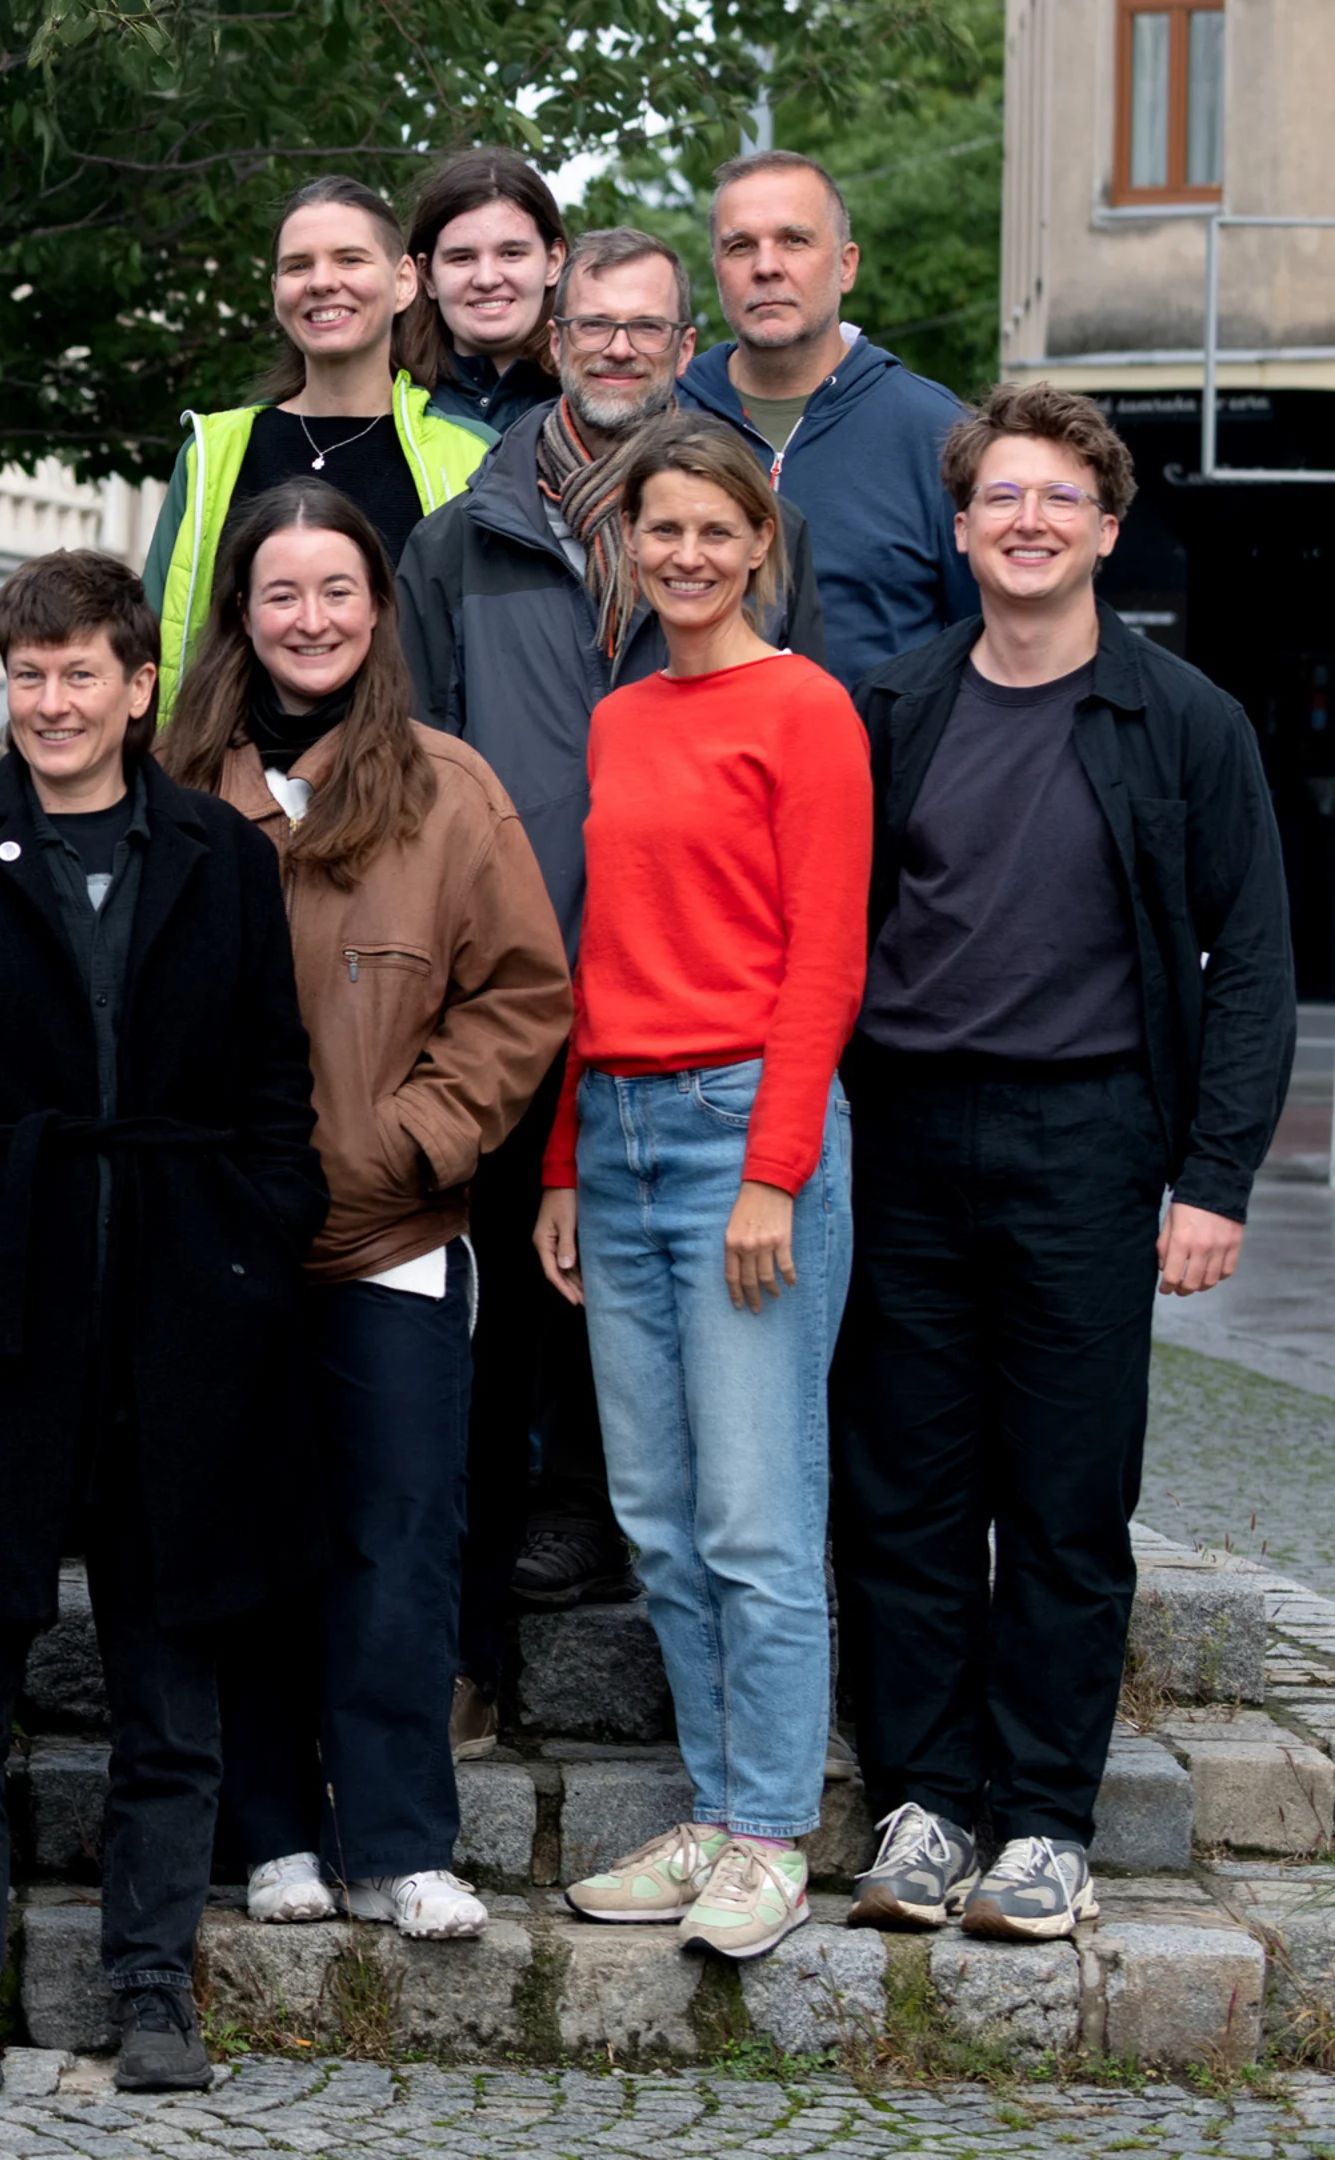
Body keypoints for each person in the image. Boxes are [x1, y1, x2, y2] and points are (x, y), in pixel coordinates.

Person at [0, 549, 322, 2096]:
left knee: (171, 1683)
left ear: (138, 685)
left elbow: (273, 1076)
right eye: (28, 674)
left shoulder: (218, 855)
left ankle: (153, 1984)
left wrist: (257, 1235)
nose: (51, 702)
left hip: (183, 1308)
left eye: (79, 674)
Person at [834, 383, 1296, 1943]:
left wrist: (1214, 1178)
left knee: (1065, 1500)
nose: (1027, 522)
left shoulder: (1186, 721)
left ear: (1106, 528)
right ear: (962, 528)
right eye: (1000, 498)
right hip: (905, 1140)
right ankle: (923, 1806)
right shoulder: (895, 709)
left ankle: (1043, 1824)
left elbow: (1253, 962)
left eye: (1059, 499)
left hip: (1089, 1142)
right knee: (903, 1495)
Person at [397, 229, 830, 1742]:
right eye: (595, 323)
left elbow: (806, 853)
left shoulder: (741, 530)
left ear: (684, 342)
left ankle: (737, 1748)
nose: (621, 347)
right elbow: (419, 769)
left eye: (650, 326)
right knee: (493, 1330)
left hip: (690, 1027)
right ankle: (467, 1657)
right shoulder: (463, 536)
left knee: (703, 1434)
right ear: (555, 335)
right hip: (513, 1005)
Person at [156, 483, 566, 1941]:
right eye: (281, 593)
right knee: (255, 1544)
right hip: (220, 1243)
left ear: (379, 610)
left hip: (394, 1234)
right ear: (240, 613)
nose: (310, 618)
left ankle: (399, 1841)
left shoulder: (450, 789)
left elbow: (521, 995)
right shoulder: (174, 784)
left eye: (338, 590)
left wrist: (415, 1141)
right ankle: (271, 1829)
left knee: (399, 1539)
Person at [536, 418, 868, 1963]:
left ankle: (772, 1836)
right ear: (628, 544)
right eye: (659, 529)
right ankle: (720, 1809)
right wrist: (561, 1162)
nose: (684, 554)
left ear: (758, 545)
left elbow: (827, 959)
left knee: (755, 1514)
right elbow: (598, 952)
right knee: (661, 1520)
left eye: (712, 532)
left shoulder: (805, 710)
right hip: (616, 1134)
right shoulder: (620, 718)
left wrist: (775, 1173)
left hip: (746, 1127)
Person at [146, 176, 493, 714]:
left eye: (350, 259)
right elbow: (154, 642)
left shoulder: (474, 457)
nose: (322, 282)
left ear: (404, 281)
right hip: (228, 763)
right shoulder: (213, 455)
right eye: (298, 266)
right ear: (276, 291)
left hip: (410, 760)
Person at [678, 149, 977, 689]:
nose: (766, 266)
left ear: (846, 265)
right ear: (717, 268)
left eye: (794, 240)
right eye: (740, 246)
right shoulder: (666, 422)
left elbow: (990, 647)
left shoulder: (937, 433)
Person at [400, 148, 567, 438]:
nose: (487, 279)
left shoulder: (593, 400)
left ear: (553, 262)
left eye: (511, 253)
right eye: (462, 258)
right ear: (426, 275)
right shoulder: (388, 403)